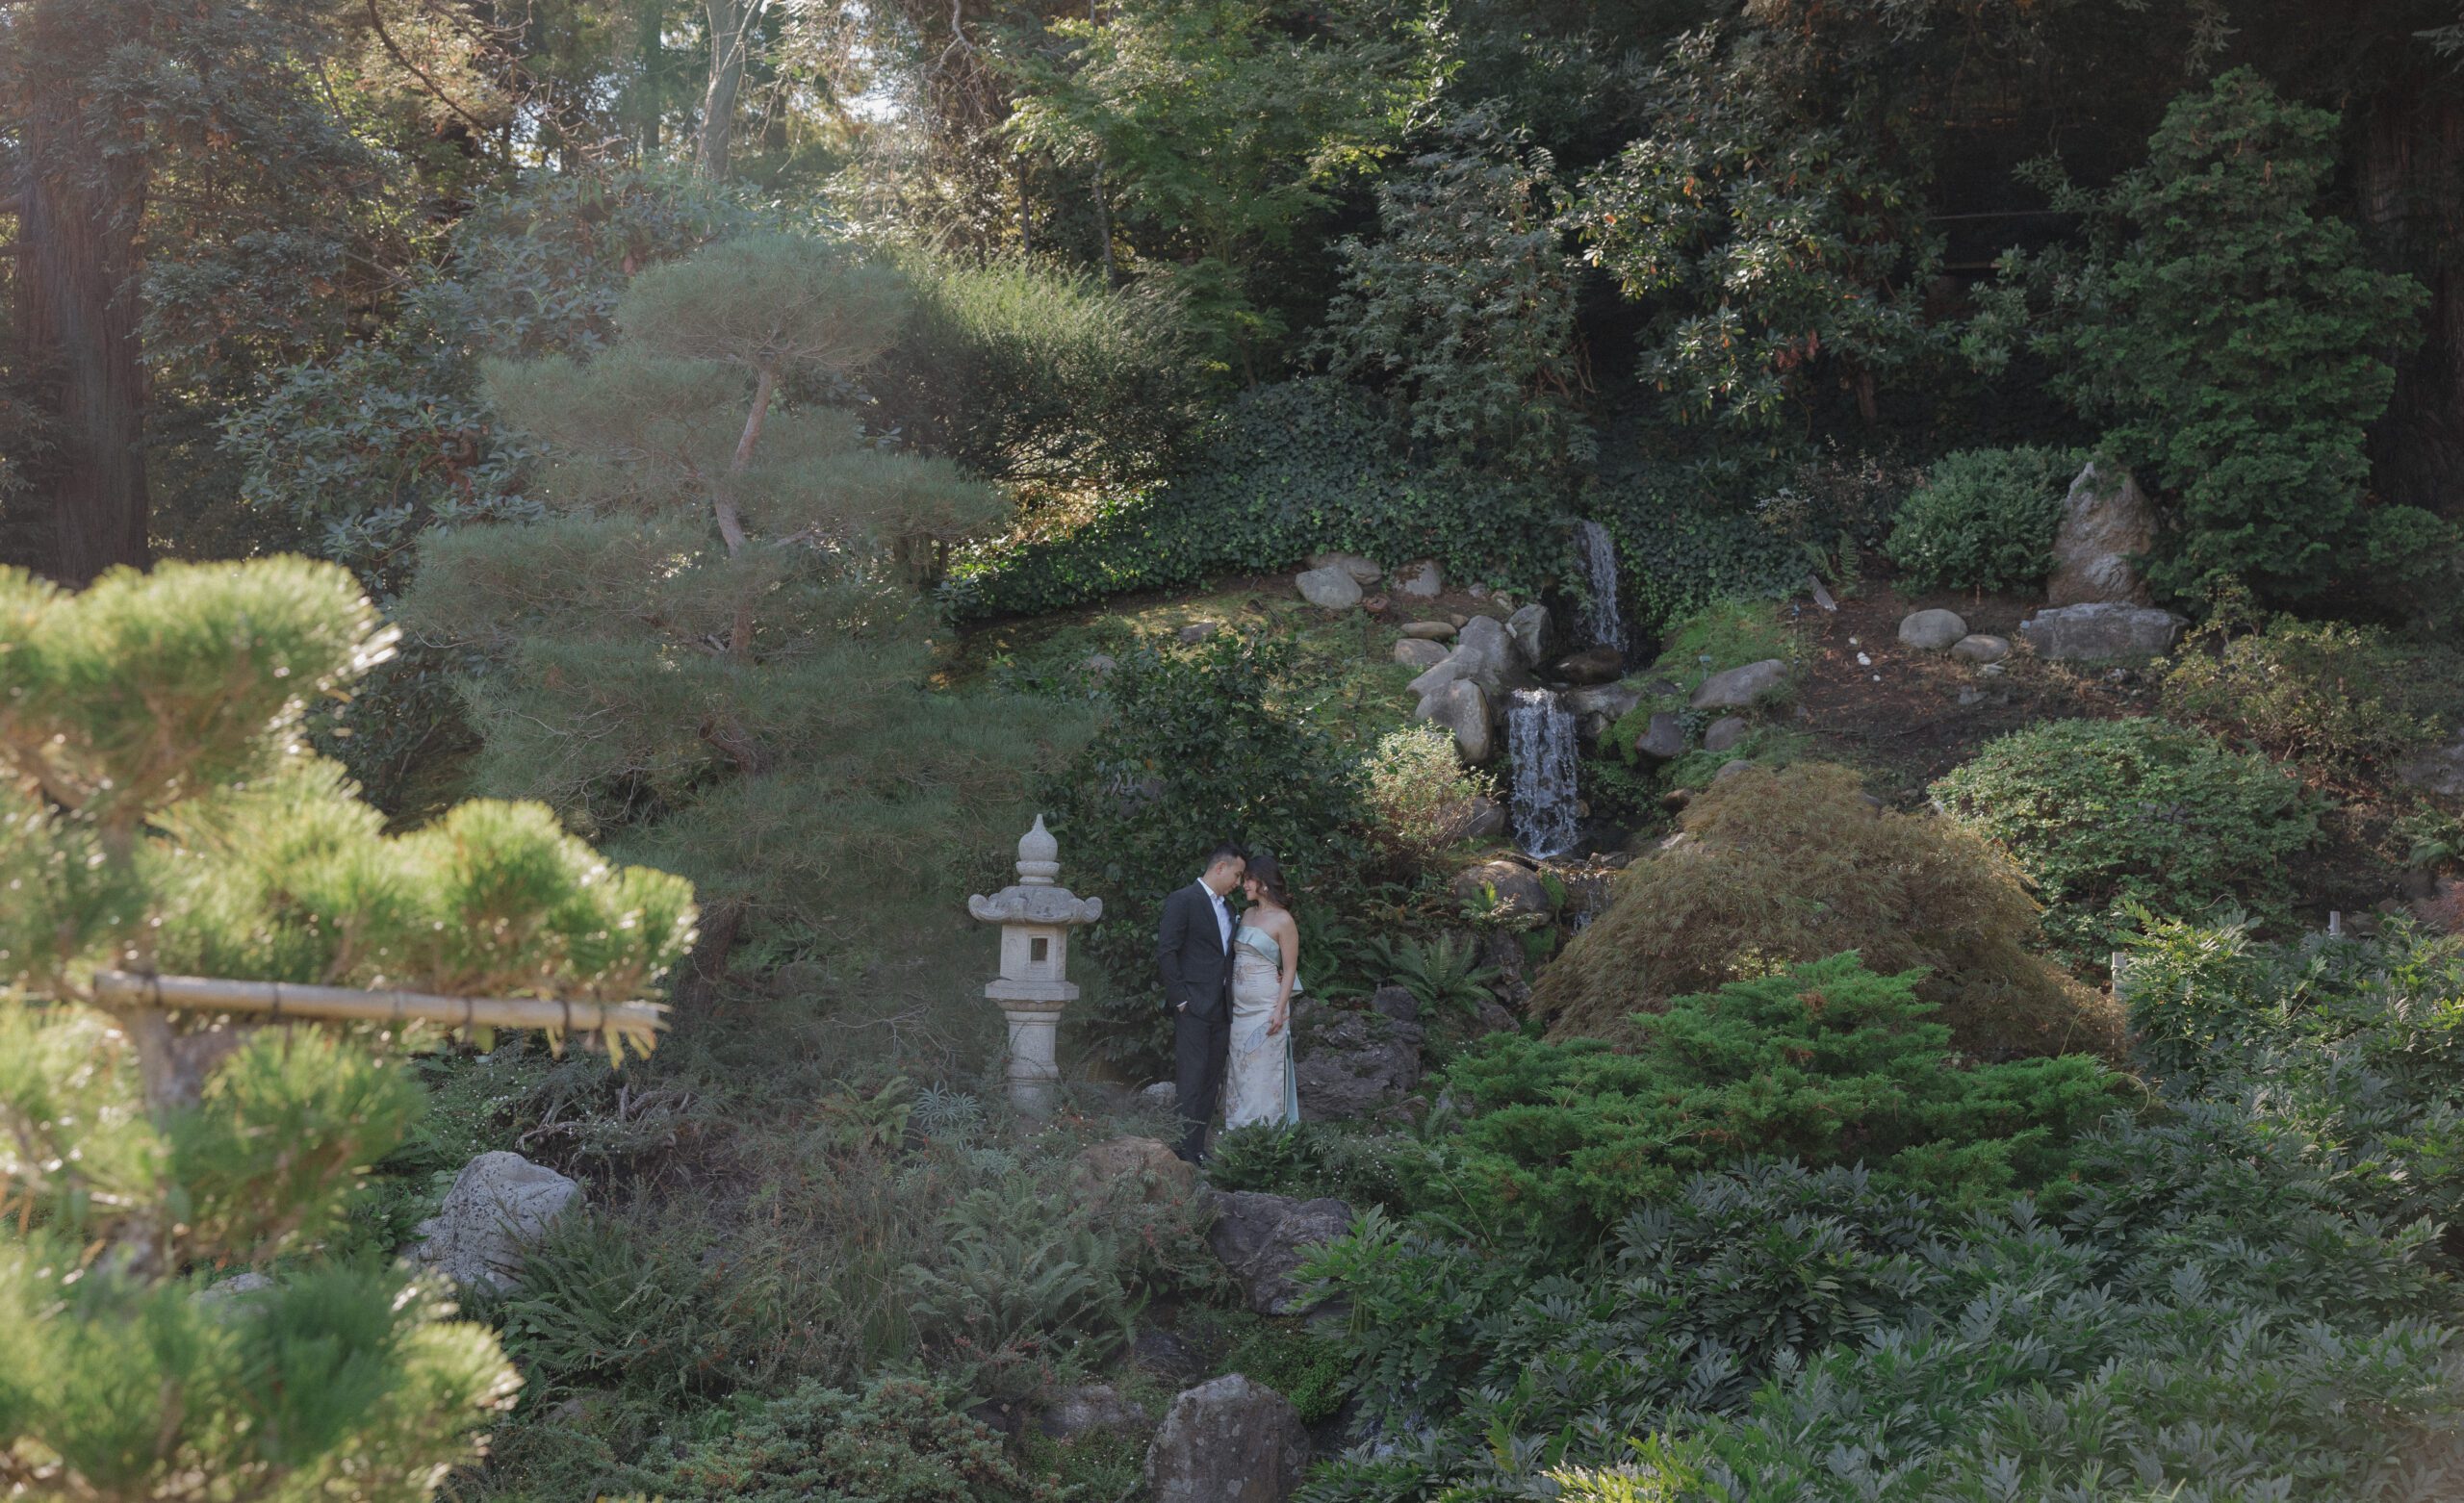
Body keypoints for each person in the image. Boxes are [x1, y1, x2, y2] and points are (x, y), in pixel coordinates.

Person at [1156, 843, 1245, 1162]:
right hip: (1192, 1006)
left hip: (1222, 1006)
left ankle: (1197, 1149)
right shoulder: (1184, 899)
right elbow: (1167, 950)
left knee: (1210, 1082)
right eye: (1237, 874)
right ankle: (1181, 1151)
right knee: (1191, 1080)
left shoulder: (1230, 909)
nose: (1239, 881)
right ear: (1220, 868)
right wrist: (1180, 999)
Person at [1224, 850, 1301, 1131]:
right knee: (1240, 1073)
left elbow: (1290, 968)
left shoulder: (1284, 921)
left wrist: (1279, 1010)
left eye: (1248, 880)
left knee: (1262, 1075)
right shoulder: (1245, 914)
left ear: (1264, 883)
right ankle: (1237, 1135)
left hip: (1267, 1008)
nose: (1244, 885)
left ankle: (1264, 1138)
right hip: (1239, 1010)